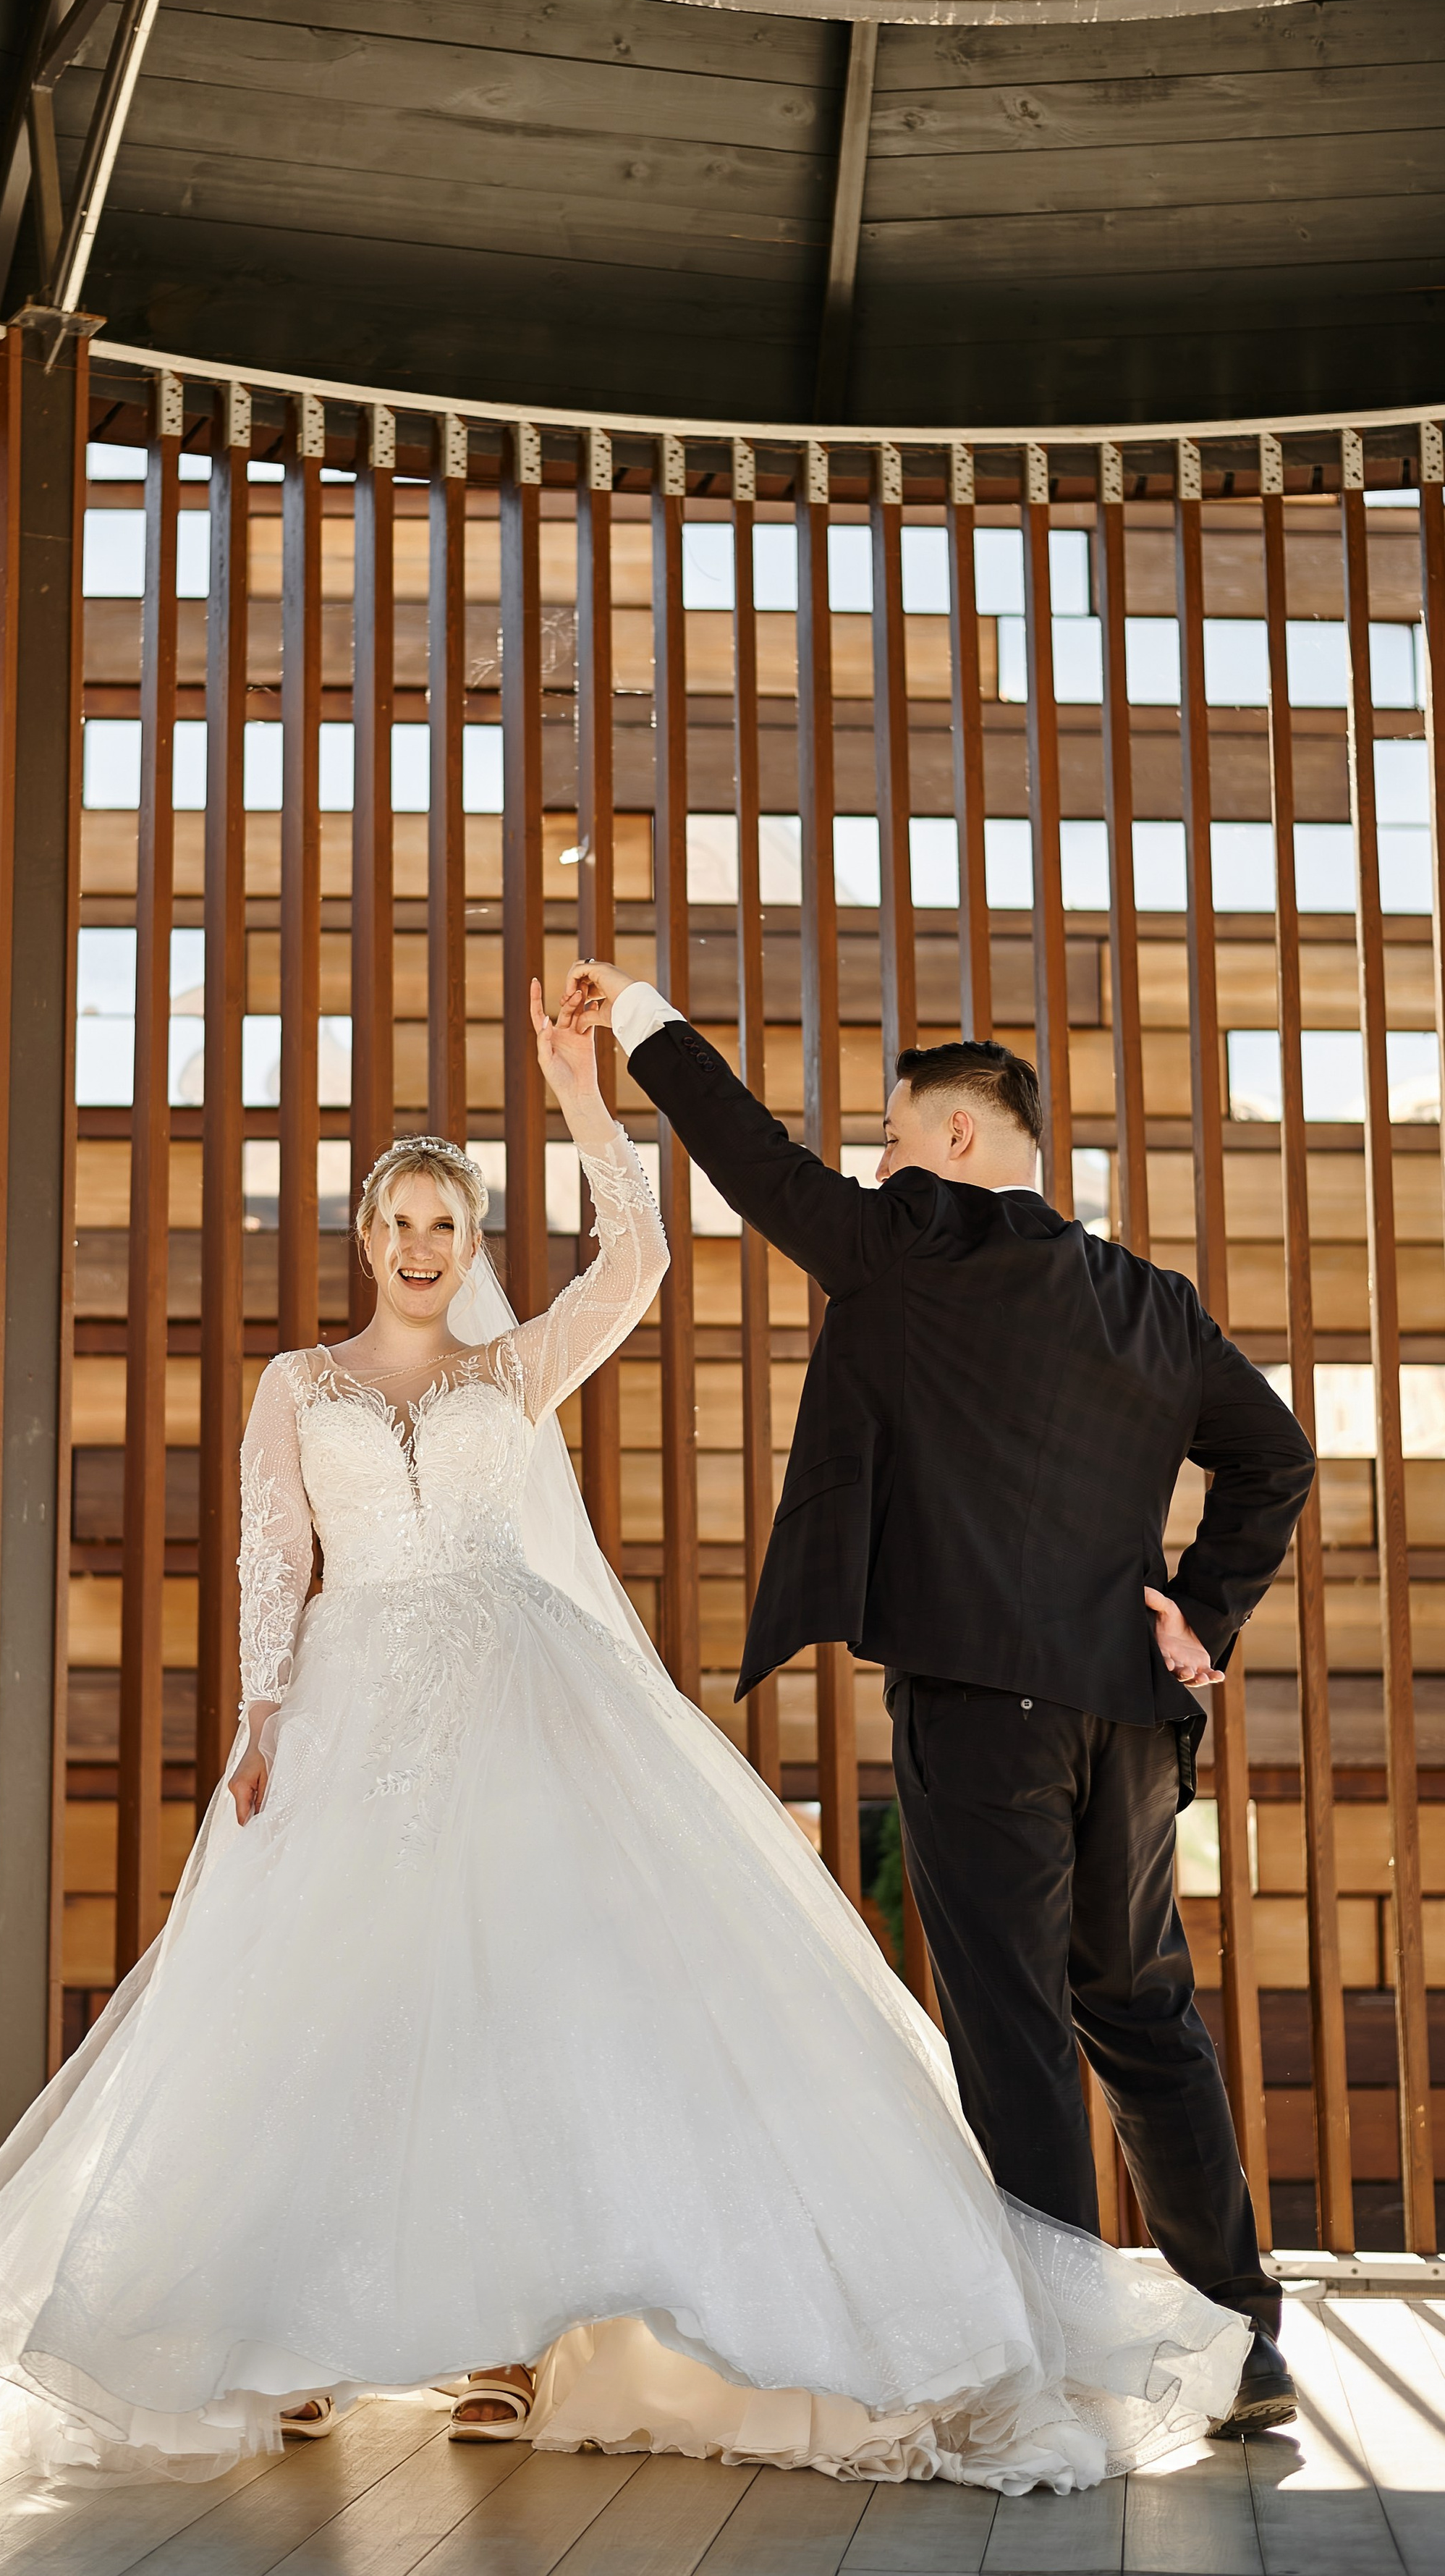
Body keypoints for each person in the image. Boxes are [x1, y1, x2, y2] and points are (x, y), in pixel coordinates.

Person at [0, 984, 1250, 2493]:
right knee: (323, 2010)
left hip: (520, 1696)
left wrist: (583, 1093)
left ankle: (509, 2341)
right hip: (347, 1710)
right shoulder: (294, 1384)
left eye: (445, 1224)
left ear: (468, 1246)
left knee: (519, 1999)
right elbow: (272, 1558)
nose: (418, 1247)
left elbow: (636, 1254)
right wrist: (261, 1712)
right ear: (367, 1234)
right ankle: (288, 2335)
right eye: (397, 1221)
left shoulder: (512, 1370)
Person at [565, 963, 1314, 2439]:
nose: (871, 1165)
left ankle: (1046, 2362)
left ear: (956, 1144)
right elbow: (1274, 1454)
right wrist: (1196, 1613)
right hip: (1128, 1712)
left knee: (1013, 2023)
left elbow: (760, 1168)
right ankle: (1243, 2339)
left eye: (891, 1138)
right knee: (1142, 2011)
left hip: (981, 1704)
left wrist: (642, 1017)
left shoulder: (917, 1239)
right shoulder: (1149, 1304)